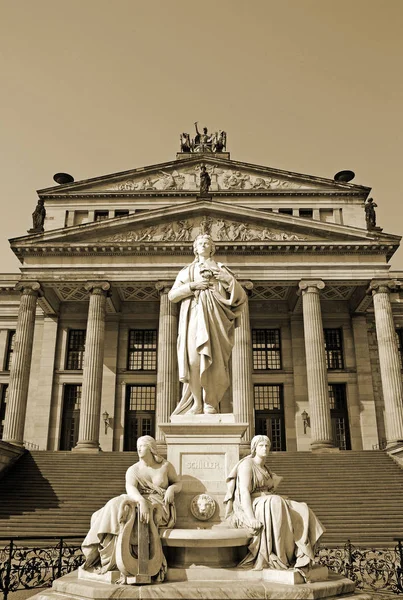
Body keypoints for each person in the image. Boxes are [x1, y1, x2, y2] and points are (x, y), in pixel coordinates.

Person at [81, 436, 181, 582]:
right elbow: (130, 488)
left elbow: (178, 483)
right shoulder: (133, 469)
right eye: (137, 445)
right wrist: (141, 501)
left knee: (124, 508)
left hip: (160, 506)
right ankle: (107, 557)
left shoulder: (165, 466)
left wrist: (172, 489)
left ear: (151, 447)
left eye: (142, 445)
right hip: (139, 500)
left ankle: (118, 559)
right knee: (115, 505)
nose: (138, 448)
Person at [168, 234, 246, 415]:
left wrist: (225, 278)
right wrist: (193, 286)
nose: (203, 245)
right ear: (195, 249)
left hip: (216, 319)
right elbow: (172, 296)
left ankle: (210, 401)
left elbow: (240, 296)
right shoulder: (187, 271)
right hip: (194, 316)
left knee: (215, 363)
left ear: (212, 248)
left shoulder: (221, 268)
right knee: (193, 360)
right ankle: (196, 403)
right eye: (200, 243)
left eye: (207, 243)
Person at [224, 435, 325, 575]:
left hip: (268, 500)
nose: (264, 448)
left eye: (267, 446)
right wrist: (251, 518)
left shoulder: (266, 468)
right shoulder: (247, 464)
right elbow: (244, 493)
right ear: (254, 448)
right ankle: (280, 557)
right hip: (253, 504)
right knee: (276, 502)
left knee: (302, 508)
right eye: (261, 446)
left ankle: (301, 555)